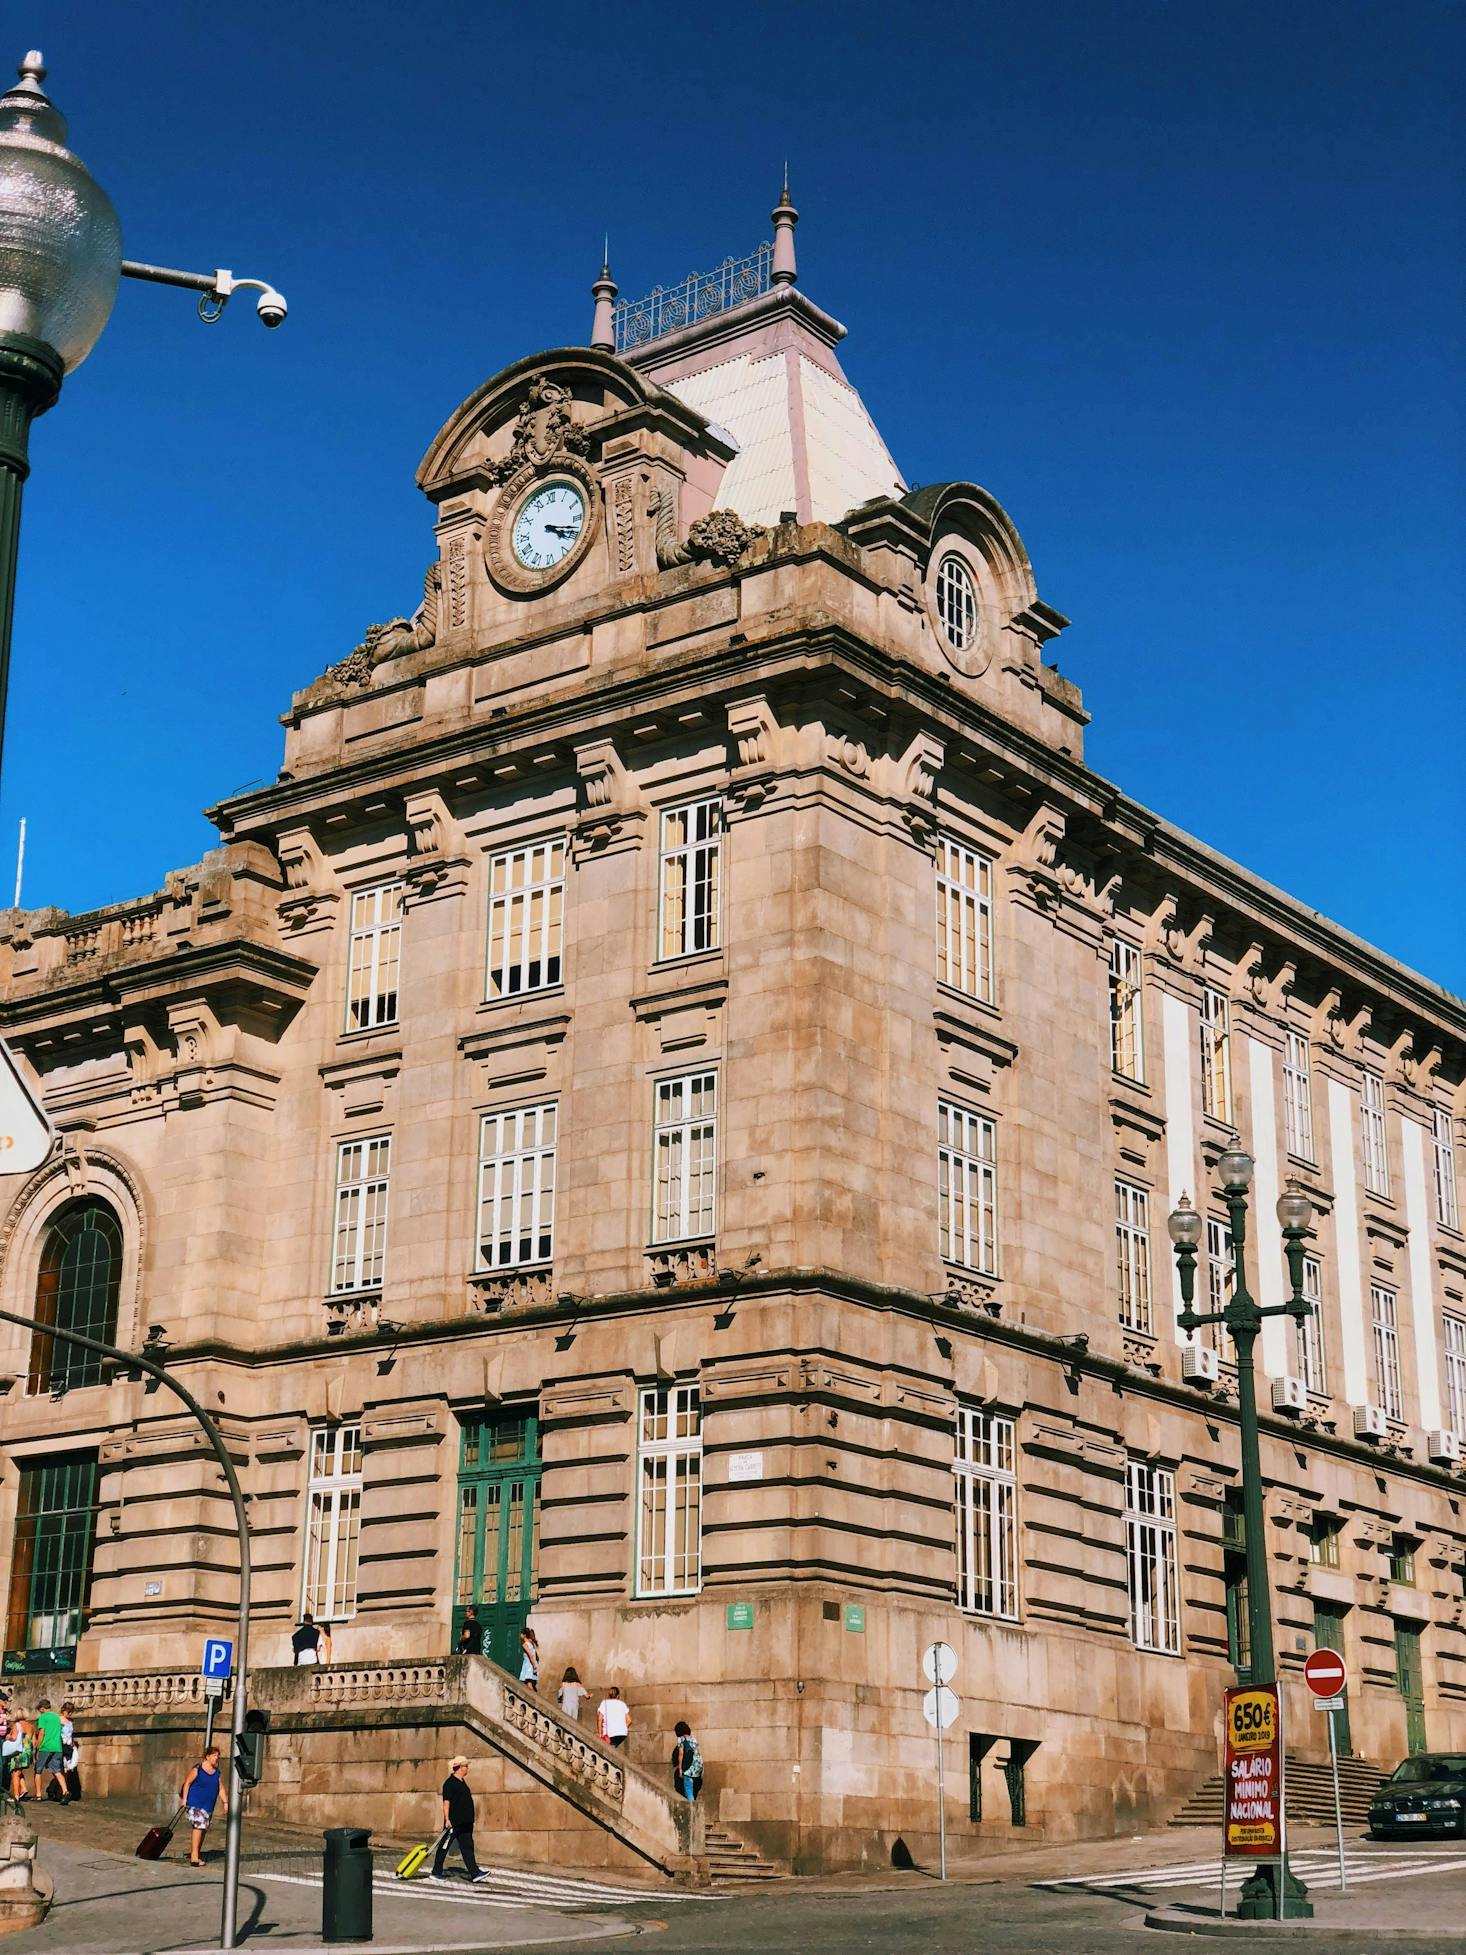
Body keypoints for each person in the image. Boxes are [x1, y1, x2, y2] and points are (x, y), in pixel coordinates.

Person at [431, 1755, 491, 1883]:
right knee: (444, 1846)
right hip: (454, 1822)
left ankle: (474, 1873)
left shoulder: (462, 1781)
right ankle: (436, 1872)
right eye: (466, 1766)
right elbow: (446, 1803)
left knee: (467, 1847)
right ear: (459, 1768)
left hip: (465, 1822)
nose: (467, 1768)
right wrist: (447, 1819)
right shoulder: (449, 1783)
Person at [181, 1744, 226, 1868]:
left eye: (218, 1756)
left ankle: (195, 1853)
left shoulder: (217, 1772)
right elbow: (187, 1783)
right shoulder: (198, 1769)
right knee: (199, 1827)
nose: (217, 1758)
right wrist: (184, 1800)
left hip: (208, 1805)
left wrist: (225, 1802)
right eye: (215, 1755)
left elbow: (220, 1788)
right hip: (195, 1803)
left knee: (203, 1829)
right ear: (207, 1756)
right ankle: (194, 1858)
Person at [32, 1700, 65, 1804]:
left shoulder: (43, 1717)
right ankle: (65, 1791)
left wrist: (37, 1745)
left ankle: (38, 1794)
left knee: (38, 1770)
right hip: (57, 1746)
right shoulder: (57, 1717)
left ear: (42, 1708)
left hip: (46, 1746)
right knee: (57, 1770)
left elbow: (42, 1733)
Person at [671, 1720, 703, 1801]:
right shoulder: (694, 1741)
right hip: (697, 1774)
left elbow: (679, 1755)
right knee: (692, 1795)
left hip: (686, 1773)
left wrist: (680, 1769)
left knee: (686, 1796)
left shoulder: (681, 1741)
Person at [3, 1710, 30, 1802]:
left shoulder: (17, 1725)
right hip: (27, 1751)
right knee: (19, 1772)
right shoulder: (30, 1726)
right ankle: (23, 1788)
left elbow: (14, 1738)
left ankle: (16, 1796)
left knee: (15, 1774)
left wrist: (8, 1737)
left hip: (18, 1752)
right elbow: (32, 1740)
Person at [518, 1625, 540, 1692]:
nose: (520, 1635)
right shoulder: (531, 1643)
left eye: (521, 1634)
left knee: (529, 1684)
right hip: (532, 1664)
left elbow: (530, 1655)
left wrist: (533, 1666)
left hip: (528, 1665)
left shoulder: (525, 1645)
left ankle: (535, 1699)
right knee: (529, 1683)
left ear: (524, 1635)